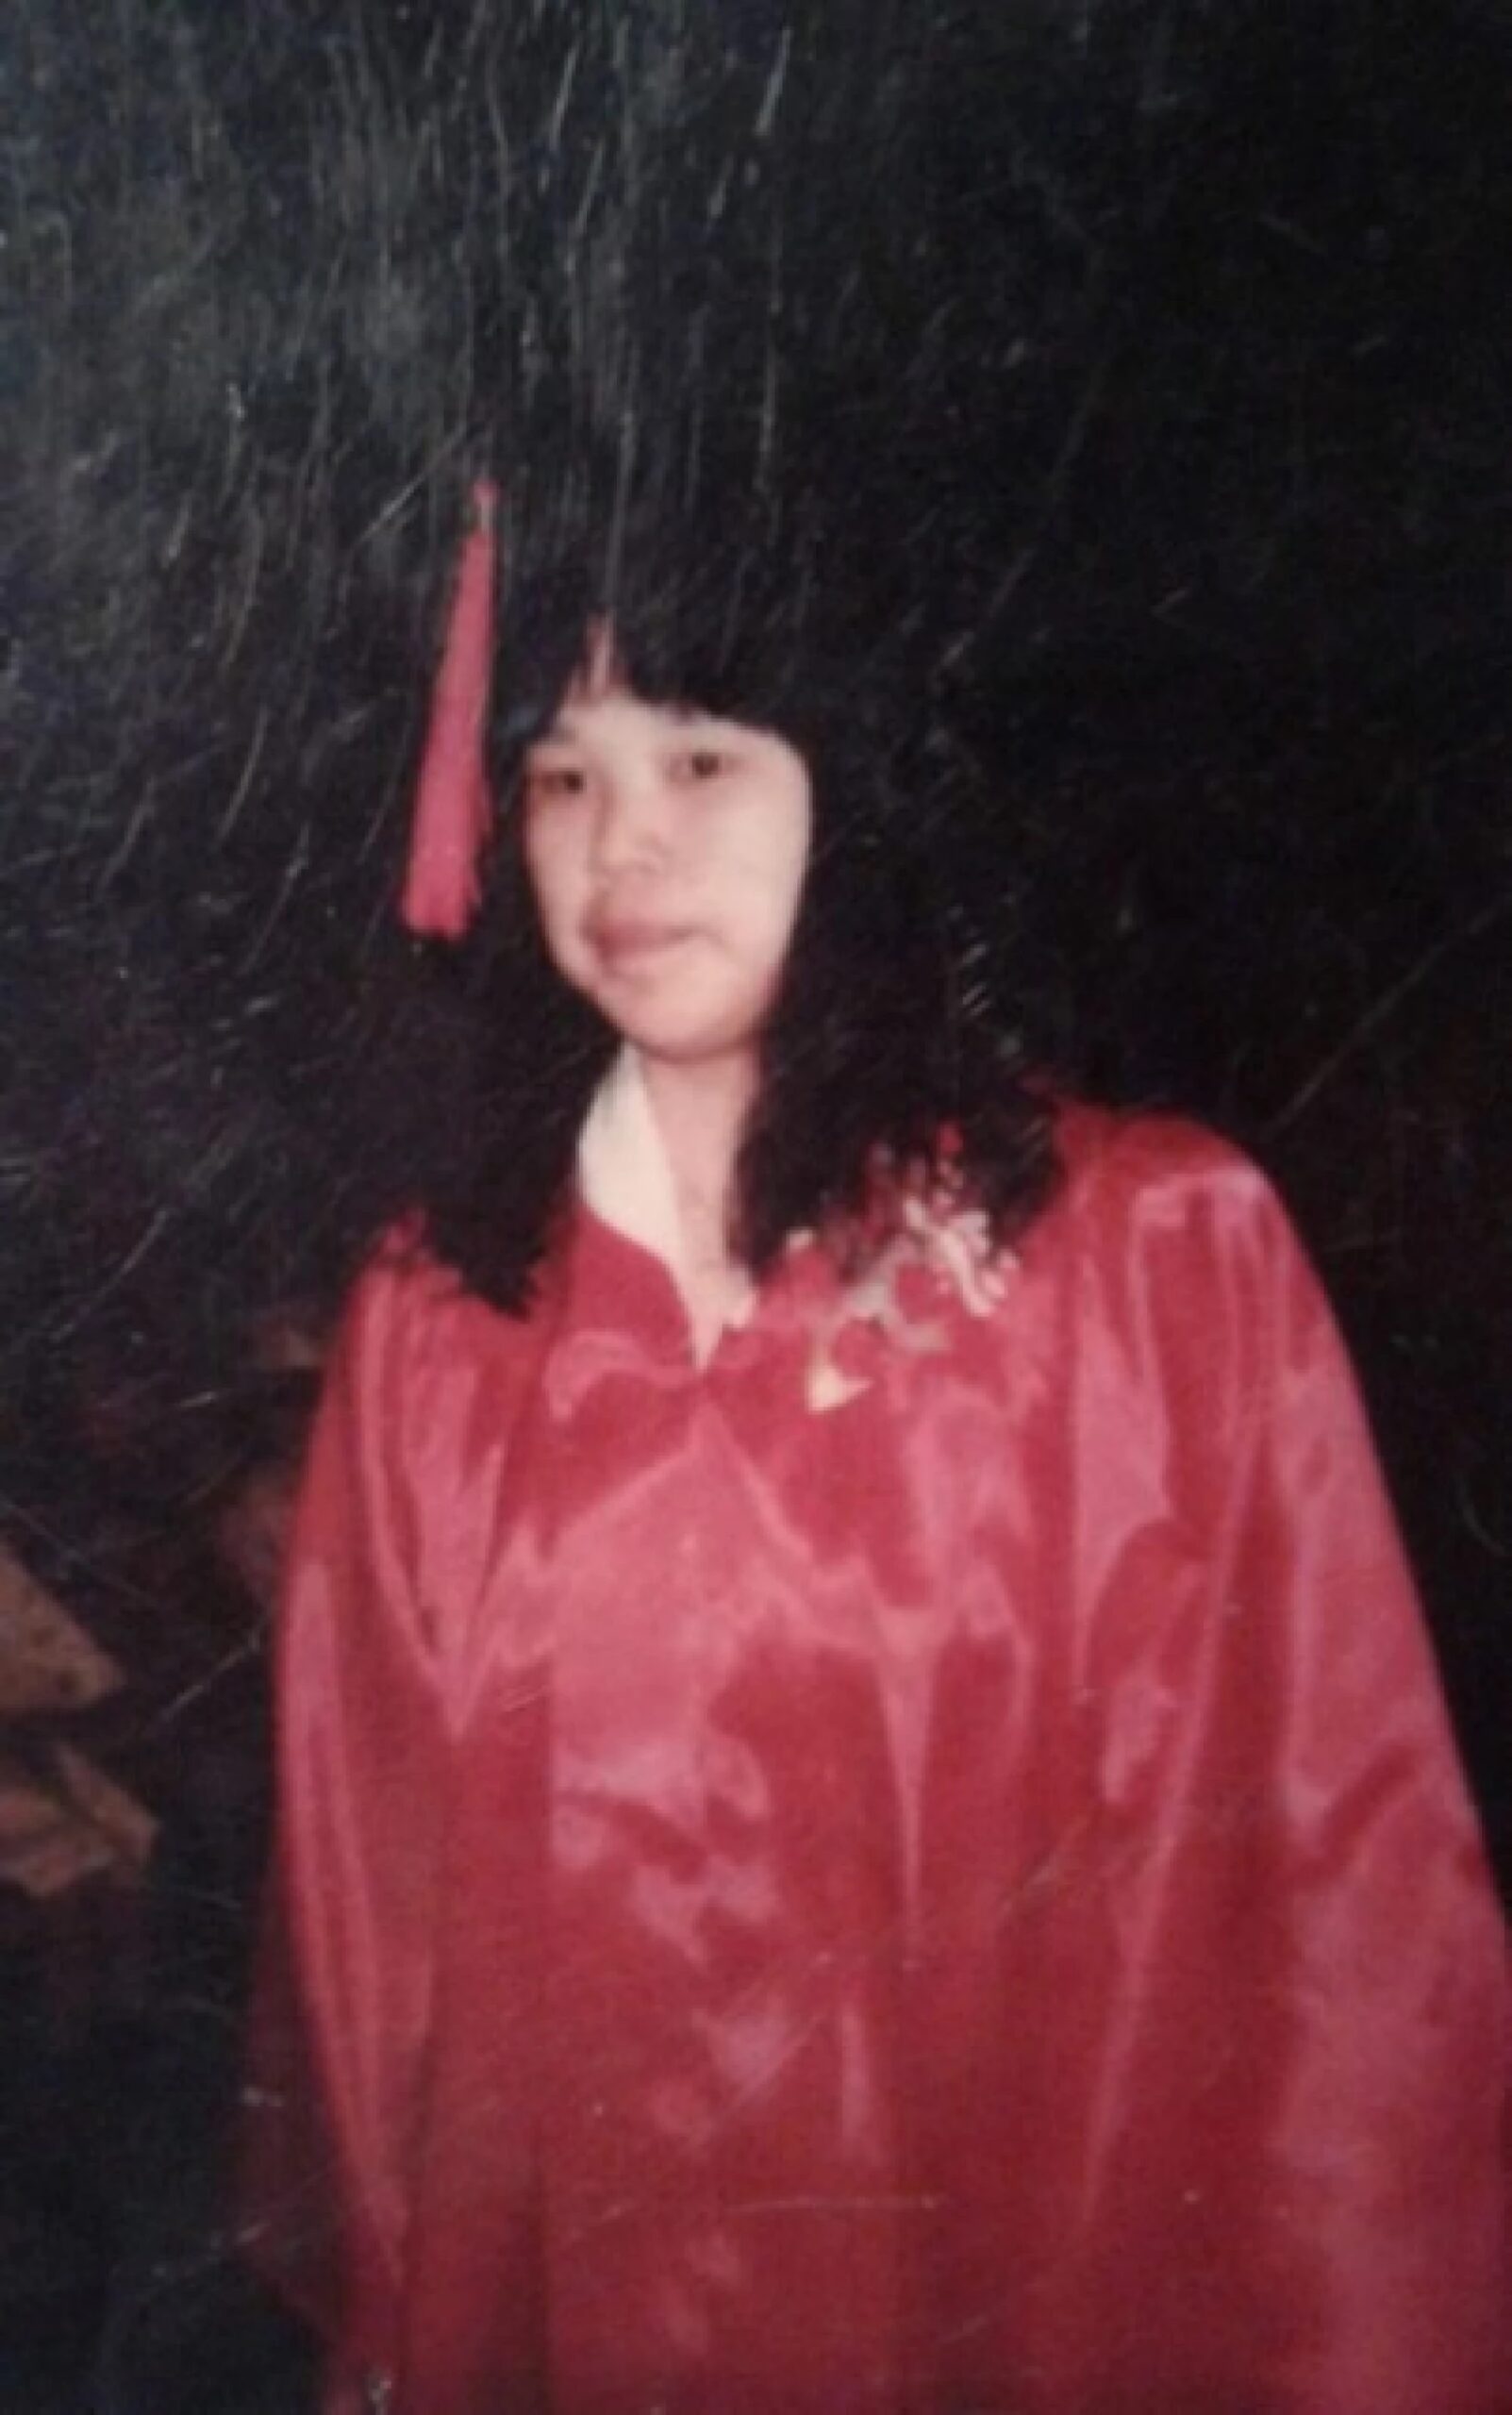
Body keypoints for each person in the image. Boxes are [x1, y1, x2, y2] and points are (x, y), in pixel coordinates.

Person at [241, 489, 1507, 2414]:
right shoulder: (438, 1329)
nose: (621, 839)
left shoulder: (1151, 1260)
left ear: (857, 779)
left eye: (697, 750)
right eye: (558, 774)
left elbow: (1340, 1910)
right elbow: (366, 1921)